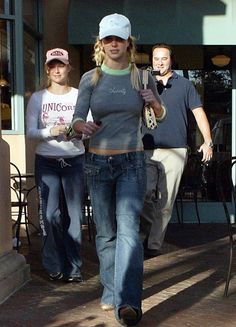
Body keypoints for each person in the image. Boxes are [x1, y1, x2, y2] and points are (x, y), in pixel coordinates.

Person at [71, 13, 165, 327]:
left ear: (128, 42)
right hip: (97, 164)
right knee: (106, 234)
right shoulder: (90, 78)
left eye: (119, 39)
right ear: (101, 43)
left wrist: (154, 103)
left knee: (128, 233)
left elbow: (159, 116)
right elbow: (76, 120)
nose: (114, 44)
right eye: (108, 39)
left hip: (132, 163)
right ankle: (111, 290)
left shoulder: (142, 77)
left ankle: (128, 303)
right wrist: (78, 126)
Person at [141, 44, 213, 257]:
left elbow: (199, 114)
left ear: (171, 60)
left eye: (164, 58)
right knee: (144, 194)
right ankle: (141, 237)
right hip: (146, 150)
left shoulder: (185, 85)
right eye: (156, 58)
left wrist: (207, 141)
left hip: (175, 150)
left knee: (165, 202)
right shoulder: (145, 83)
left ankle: (153, 245)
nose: (159, 62)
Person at [26, 48, 85, 282]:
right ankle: (54, 264)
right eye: (52, 66)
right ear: (47, 70)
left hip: (74, 161)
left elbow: (88, 128)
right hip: (46, 162)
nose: (57, 69)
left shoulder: (79, 95)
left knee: (74, 216)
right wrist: (52, 131)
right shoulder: (38, 98)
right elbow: (31, 132)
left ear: (68, 68)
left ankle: (74, 267)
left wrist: (78, 134)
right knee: (50, 216)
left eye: (61, 65)